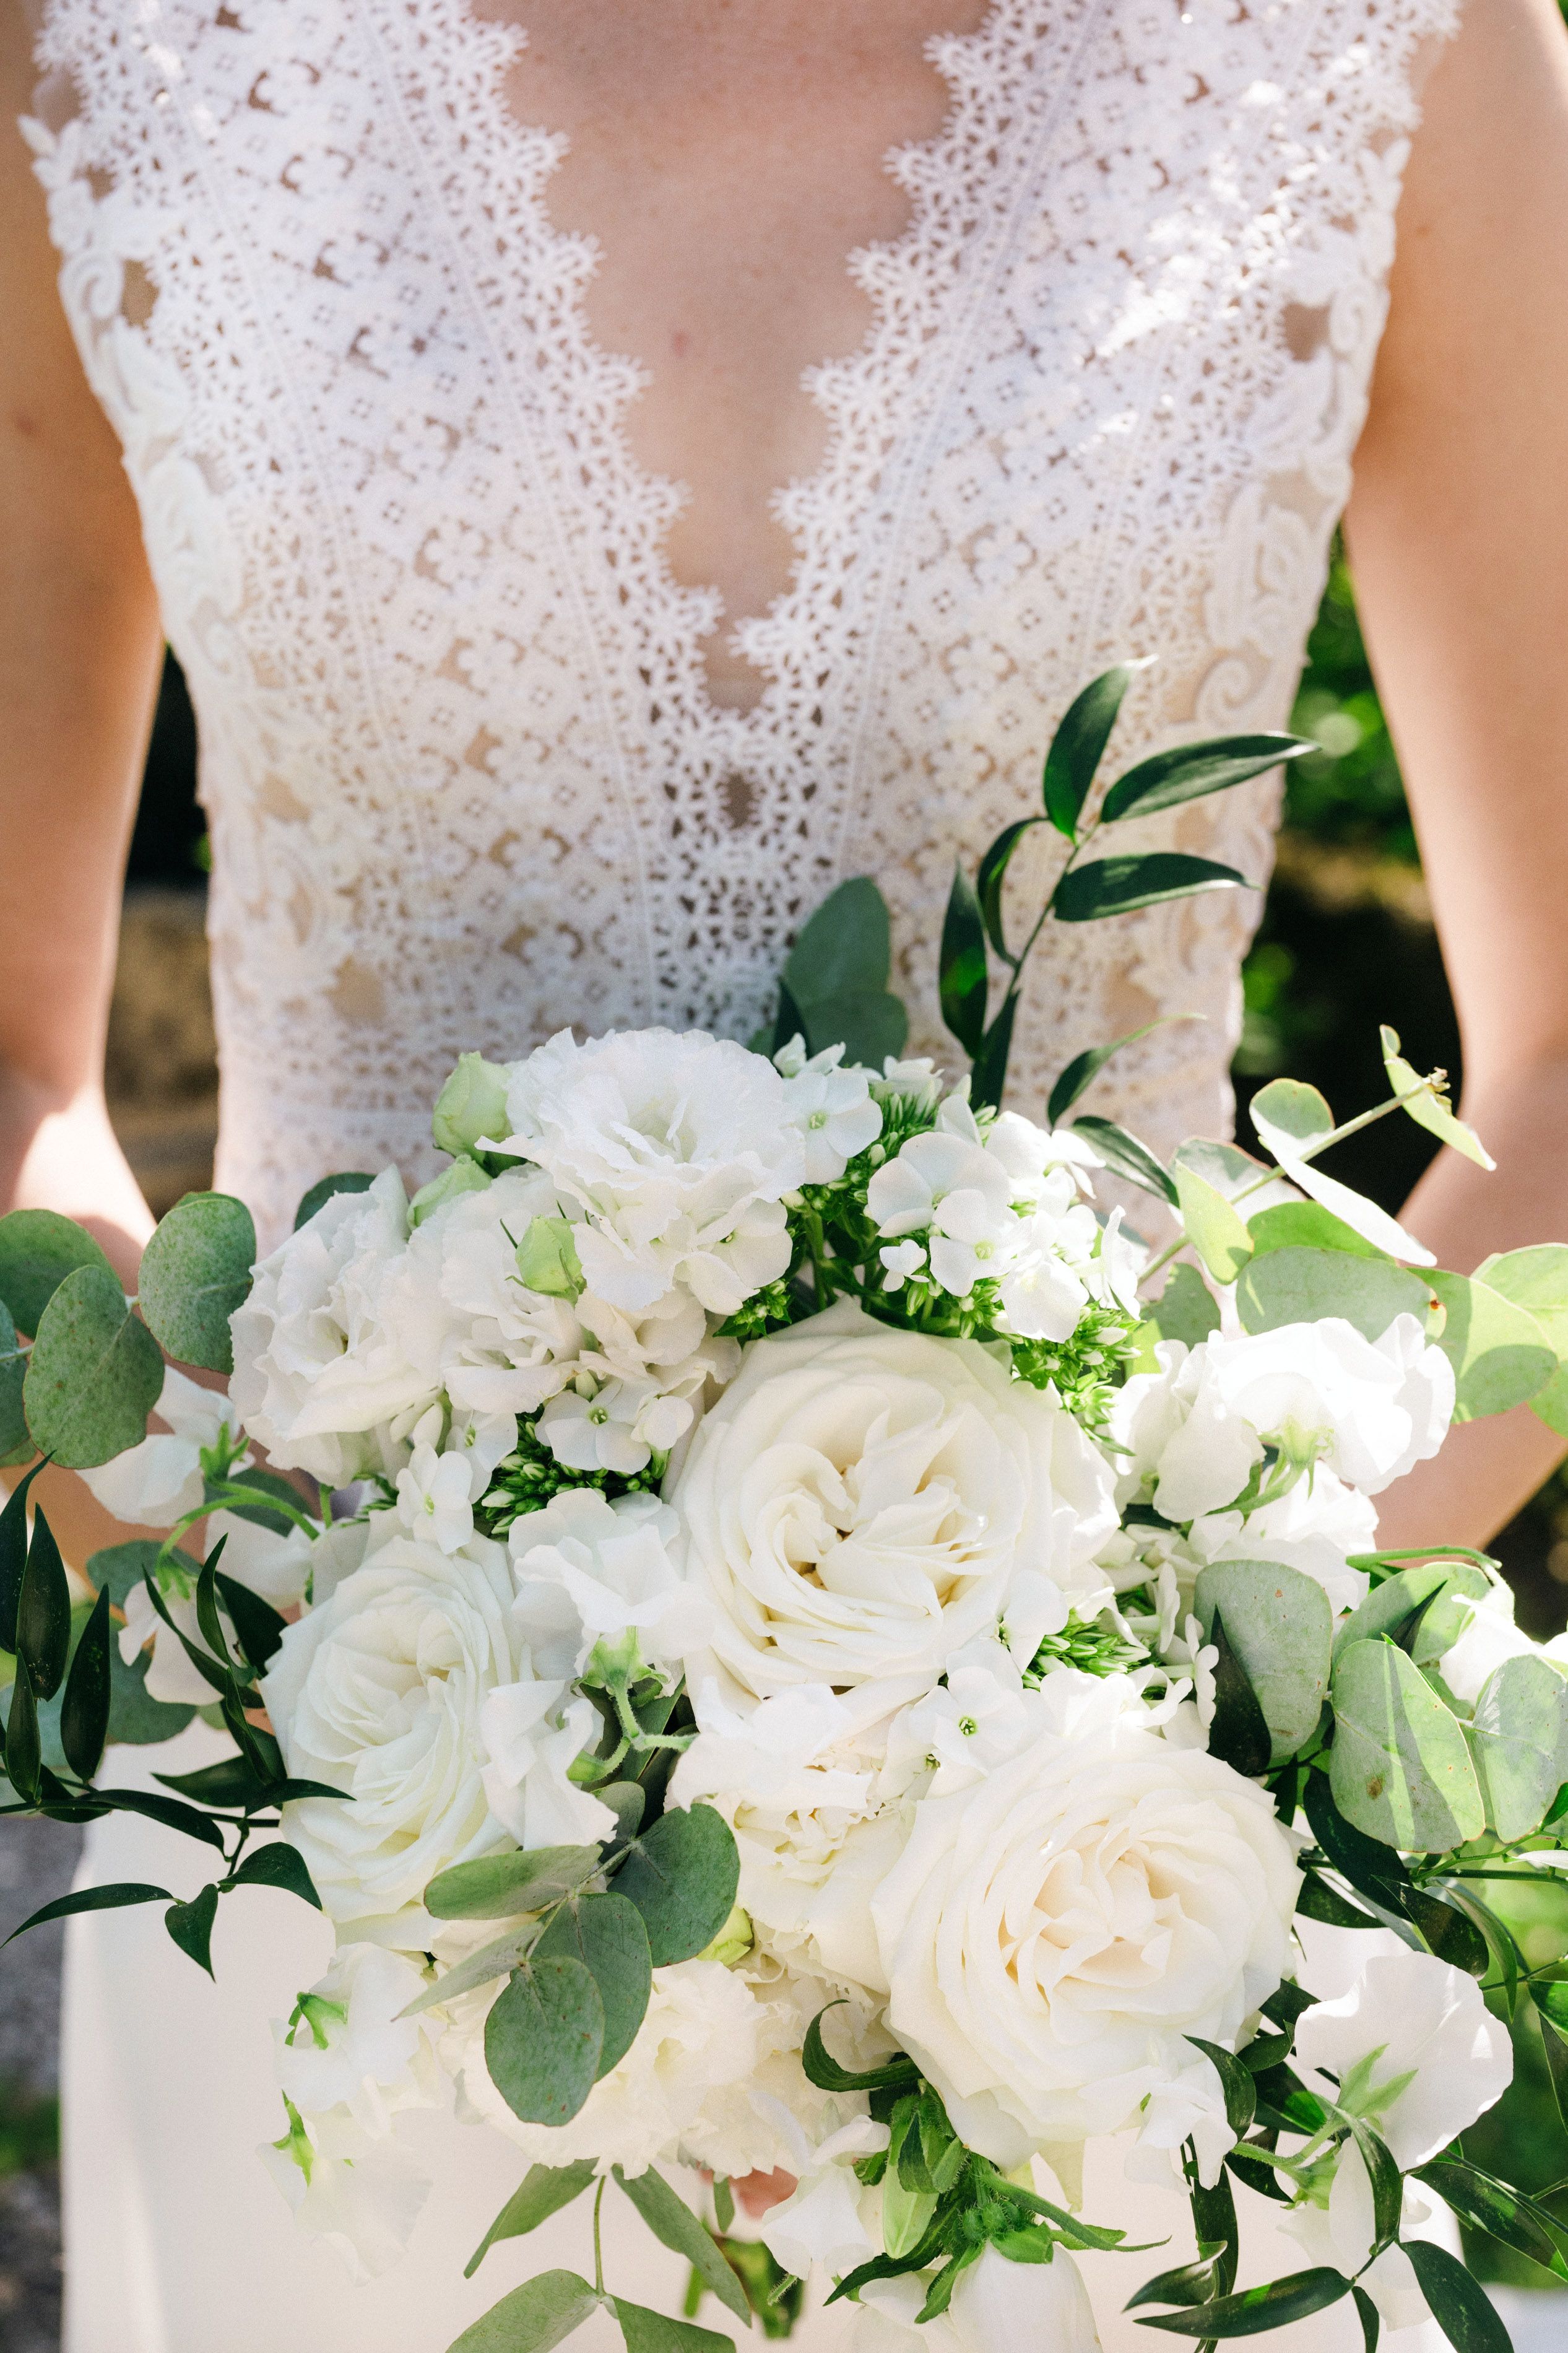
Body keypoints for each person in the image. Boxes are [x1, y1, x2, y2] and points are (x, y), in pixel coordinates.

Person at [2, 1, 1567, 2347]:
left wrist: (1199, 1674)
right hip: (346, 1874)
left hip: (1113, 1965)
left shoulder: (1386, 42)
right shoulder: (104, 39)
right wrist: (274, 1645)